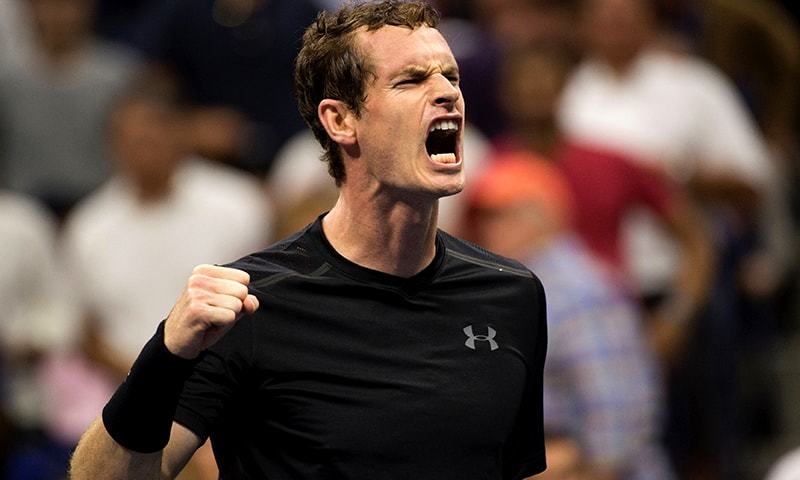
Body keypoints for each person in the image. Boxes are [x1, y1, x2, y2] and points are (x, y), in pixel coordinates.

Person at [69, 2, 548, 479]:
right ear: (340, 121)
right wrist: (165, 355)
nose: (447, 93)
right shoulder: (249, 307)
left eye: (451, 77)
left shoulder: (512, 295)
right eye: (411, 80)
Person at [466, 154, 672, 480]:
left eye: (503, 214)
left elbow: (615, 438)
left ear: (546, 215)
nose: (489, 228)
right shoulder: (512, 286)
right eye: (483, 216)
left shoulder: (579, 293)